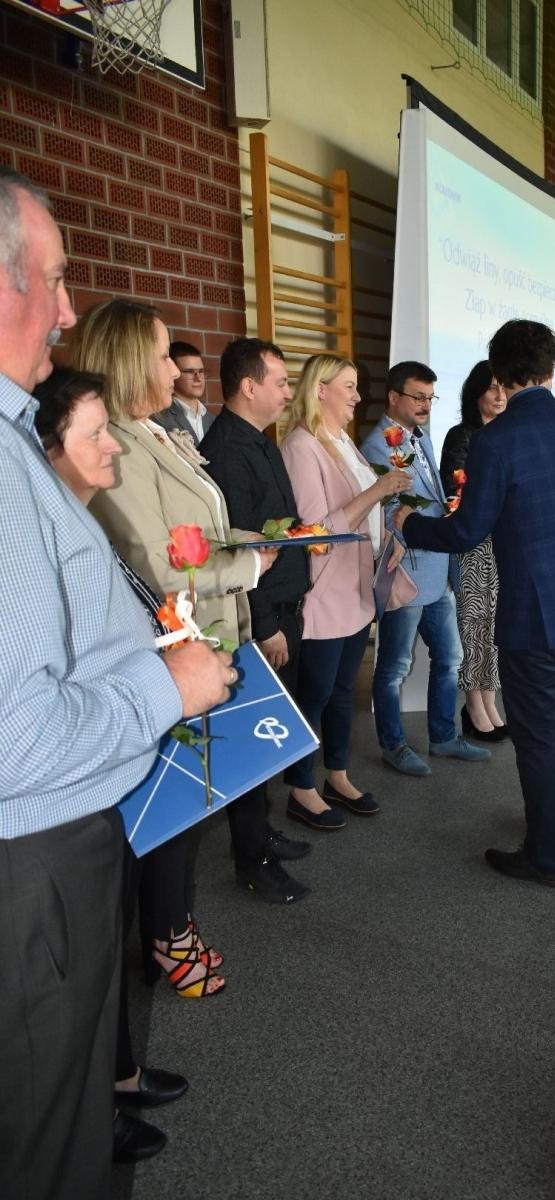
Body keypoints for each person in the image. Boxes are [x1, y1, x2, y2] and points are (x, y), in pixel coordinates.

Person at [0, 167, 232, 1200]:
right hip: (33, 854)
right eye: (49, 281)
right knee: (47, 1146)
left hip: (48, 844)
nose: (64, 310)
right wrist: (166, 689)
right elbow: (16, 734)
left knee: (59, 1109)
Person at [73, 299, 308, 924]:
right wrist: (250, 568)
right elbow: (153, 565)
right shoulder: (114, 443)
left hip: (212, 632)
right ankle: (166, 936)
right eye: (159, 357)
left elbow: (201, 522)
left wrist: (246, 540)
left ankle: (172, 927)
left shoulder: (157, 430)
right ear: (128, 364)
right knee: (171, 809)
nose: (174, 372)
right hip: (176, 646)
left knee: (199, 791)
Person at [33, 366, 192, 1162]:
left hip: (112, 763)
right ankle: (104, 1101)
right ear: (48, 445)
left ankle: (120, 1076)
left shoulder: (82, 516)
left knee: (109, 942)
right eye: (93, 435)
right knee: (80, 970)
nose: (111, 449)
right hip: (76, 774)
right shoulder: (43, 523)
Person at [395, 324, 555, 884]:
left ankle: (545, 856)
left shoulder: (499, 438)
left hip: (532, 615)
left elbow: (467, 531)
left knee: (536, 733)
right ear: (552, 366)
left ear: (499, 371)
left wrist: (408, 524)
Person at [281, 353, 413, 827]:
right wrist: (377, 492)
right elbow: (316, 533)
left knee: (340, 692)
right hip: (325, 594)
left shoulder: (342, 442)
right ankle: (300, 787)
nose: (358, 397)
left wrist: (387, 544)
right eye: (350, 387)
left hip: (356, 591)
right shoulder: (301, 445)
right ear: (320, 390)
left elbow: (361, 521)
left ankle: (336, 773)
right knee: (313, 695)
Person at [201, 337, 313, 882]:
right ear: (249, 386)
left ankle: (261, 832)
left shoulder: (259, 440)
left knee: (268, 733)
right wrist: (266, 624)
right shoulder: (226, 449)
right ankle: (252, 859)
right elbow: (239, 550)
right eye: (281, 382)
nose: (288, 392)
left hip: (282, 604)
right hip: (257, 617)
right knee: (251, 736)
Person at [360, 361, 492, 777]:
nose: (425, 405)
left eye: (430, 398)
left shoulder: (421, 438)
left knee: (449, 656)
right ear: (394, 396)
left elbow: (431, 496)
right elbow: (381, 511)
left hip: (438, 568)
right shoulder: (377, 447)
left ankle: (443, 736)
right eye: (417, 396)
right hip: (408, 573)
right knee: (395, 666)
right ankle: (394, 745)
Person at [439, 360, 508, 741]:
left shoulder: (511, 433)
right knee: (474, 624)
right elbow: (456, 492)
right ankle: (473, 703)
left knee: (495, 626)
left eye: (503, 387)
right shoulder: (461, 434)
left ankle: (490, 698)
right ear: (476, 393)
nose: (499, 395)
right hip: (474, 545)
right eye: (491, 387)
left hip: (505, 543)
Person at [155, 339, 215, 445]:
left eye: (201, 371)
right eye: (189, 372)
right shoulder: (159, 419)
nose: (198, 378)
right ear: (174, 373)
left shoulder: (214, 420)